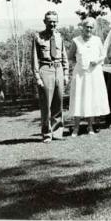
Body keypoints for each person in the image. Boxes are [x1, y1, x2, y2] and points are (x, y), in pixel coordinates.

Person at [67, 17, 110, 136]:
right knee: (78, 99)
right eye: (87, 27)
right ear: (83, 27)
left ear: (93, 28)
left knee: (91, 99)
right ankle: (76, 127)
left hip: (94, 74)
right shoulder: (76, 41)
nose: (89, 29)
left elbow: (103, 55)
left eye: (91, 27)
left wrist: (97, 61)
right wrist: (80, 65)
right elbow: (70, 57)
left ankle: (90, 127)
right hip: (80, 75)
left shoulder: (97, 40)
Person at [32, 11, 69, 143]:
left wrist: (65, 74)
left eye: (54, 21)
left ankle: (58, 132)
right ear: (45, 22)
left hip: (58, 69)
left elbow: (64, 56)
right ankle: (47, 134)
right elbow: (34, 59)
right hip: (45, 70)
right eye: (49, 21)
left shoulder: (60, 36)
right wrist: (38, 77)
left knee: (58, 104)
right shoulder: (38, 37)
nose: (52, 24)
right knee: (46, 105)